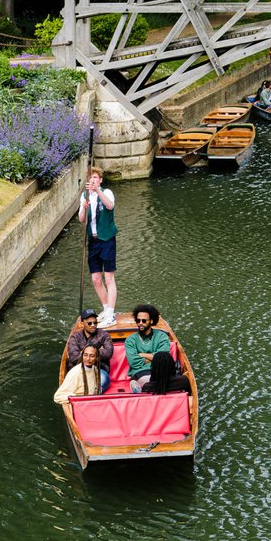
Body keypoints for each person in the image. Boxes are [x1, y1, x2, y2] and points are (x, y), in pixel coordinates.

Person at [78, 167, 117, 327]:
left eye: (95, 177)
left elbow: (110, 206)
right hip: (93, 241)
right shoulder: (85, 196)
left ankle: (111, 314)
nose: (92, 180)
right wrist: (84, 208)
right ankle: (106, 309)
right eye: (90, 178)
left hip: (107, 239)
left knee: (109, 278)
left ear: (100, 180)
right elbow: (81, 219)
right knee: (95, 279)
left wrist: (98, 191)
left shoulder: (106, 192)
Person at [124, 304, 171, 393]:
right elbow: (134, 362)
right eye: (138, 320)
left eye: (144, 320)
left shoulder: (162, 337)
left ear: (151, 321)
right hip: (141, 371)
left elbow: (163, 357)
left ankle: (144, 388)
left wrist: (142, 355)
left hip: (160, 370)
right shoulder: (130, 340)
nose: (140, 323)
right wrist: (154, 358)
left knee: (184, 382)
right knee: (156, 382)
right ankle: (146, 386)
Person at [66, 308, 114, 389]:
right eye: (89, 323)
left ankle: (95, 393)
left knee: (104, 380)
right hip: (79, 369)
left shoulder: (104, 335)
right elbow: (73, 357)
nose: (93, 325)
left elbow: (108, 353)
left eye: (95, 323)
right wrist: (96, 353)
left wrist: (84, 353)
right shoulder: (75, 337)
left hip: (99, 369)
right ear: (82, 323)